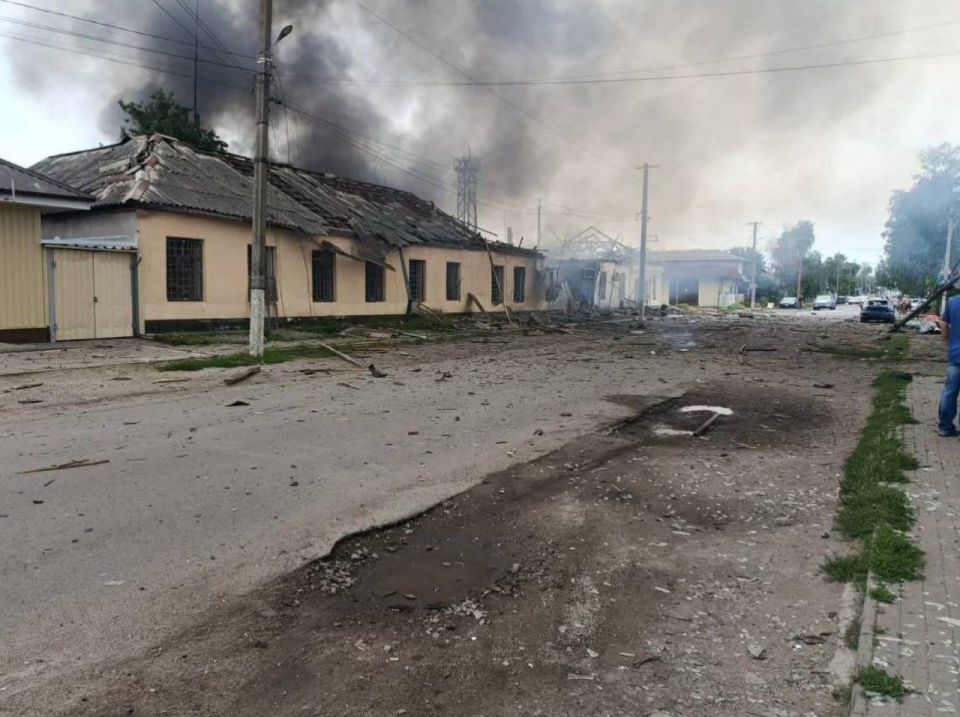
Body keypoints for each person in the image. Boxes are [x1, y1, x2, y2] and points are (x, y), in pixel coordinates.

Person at [938, 292, 960, 437]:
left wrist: (947, 341)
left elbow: (944, 324)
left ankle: (945, 428)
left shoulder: (953, 301)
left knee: (950, 391)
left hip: (955, 353)